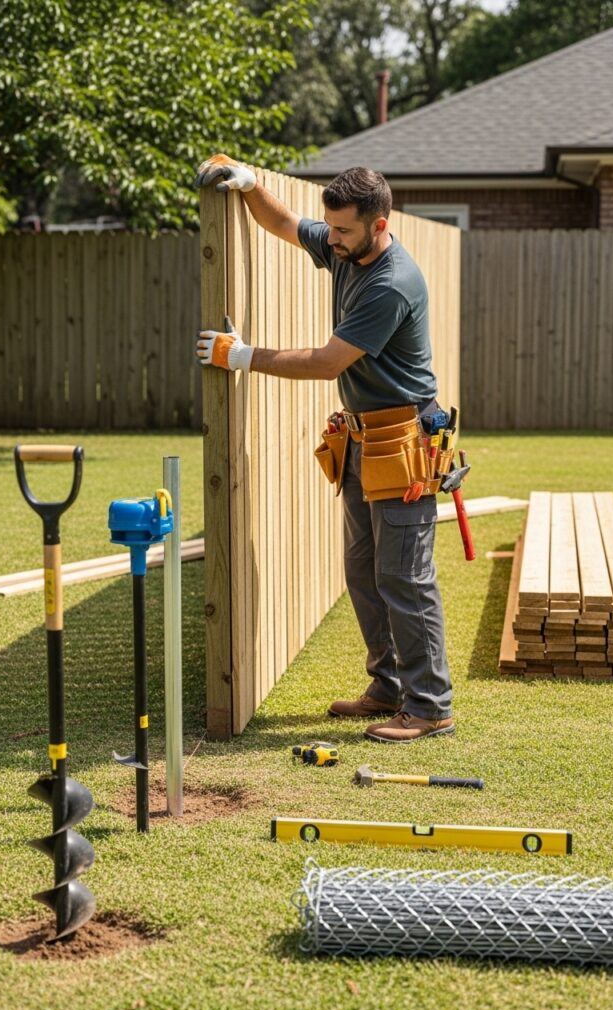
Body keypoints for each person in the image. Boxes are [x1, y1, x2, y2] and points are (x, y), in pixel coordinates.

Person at [193, 154, 454, 744]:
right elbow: (285, 224)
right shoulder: (345, 248)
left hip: (402, 442)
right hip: (363, 439)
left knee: (405, 578)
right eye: (330, 228)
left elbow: (327, 362)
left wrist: (241, 356)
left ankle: (431, 705)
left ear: (379, 225)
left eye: (343, 231)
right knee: (364, 571)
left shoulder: (390, 282)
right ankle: (388, 686)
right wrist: (251, 182)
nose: (330, 239)